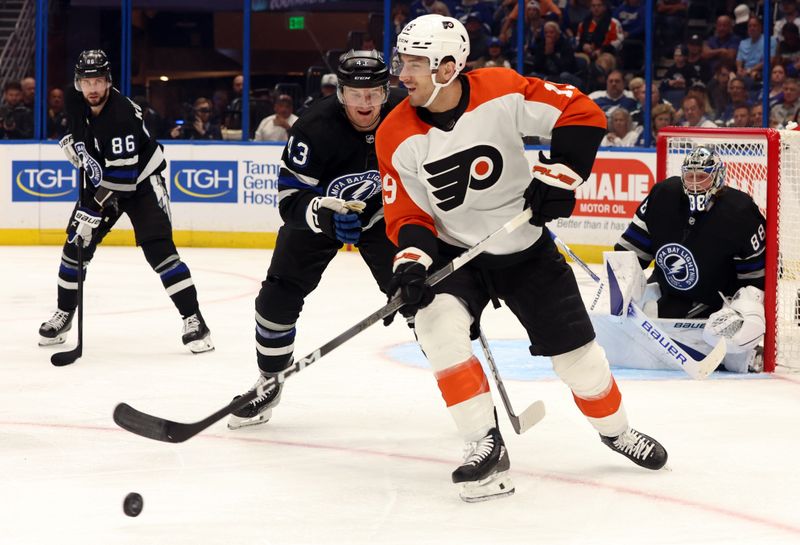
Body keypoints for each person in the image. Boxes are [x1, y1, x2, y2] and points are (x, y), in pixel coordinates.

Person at [377, 14, 667, 503]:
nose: (402, 74)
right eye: (401, 60)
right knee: (437, 330)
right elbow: (407, 214)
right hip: (458, 256)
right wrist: (411, 266)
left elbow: (579, 111)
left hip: (526, 251)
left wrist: (560, 176)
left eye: (414, 63)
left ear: (447, 68)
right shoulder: (394, 133)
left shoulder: (501, 89)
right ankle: (483, 444)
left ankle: (616, 431)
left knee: (580, 363)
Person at [227, 50, 405, 429]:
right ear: (340, 93)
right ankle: (269, 381)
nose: (366, 103)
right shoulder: (313, 127)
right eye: (356, 94)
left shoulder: (407, 113)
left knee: (421, 297)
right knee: (276, 297)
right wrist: (324, 216)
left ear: (386, 91)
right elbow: (289, 200)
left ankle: (464, 393)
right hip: (322, 211)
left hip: (384, 215)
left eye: (374, 93)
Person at [38, 50, 213, 354]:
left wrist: (92, 210)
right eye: (86, 81)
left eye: (98, 81)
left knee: (160, 252)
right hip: (104, 179)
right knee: (74, 247)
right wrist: (75, 143)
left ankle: (194, 320)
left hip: (142, 183)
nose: (92, 88)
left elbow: (123, 177)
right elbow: (83, 133)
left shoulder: (121, 116)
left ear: (108, 81)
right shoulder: (73, 98)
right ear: (78, 83)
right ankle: (64, 314)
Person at [597, 145, 766, 373]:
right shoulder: (662, 196)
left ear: (717, 178)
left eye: (703, 177)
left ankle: (745, 351)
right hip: (671, 294)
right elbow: (631, 252)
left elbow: (754, 282)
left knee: (730, 348)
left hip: (717, 303)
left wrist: (739, 312)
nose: (695, 183)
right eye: (690, 176)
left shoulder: (740, 212)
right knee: (632, 330)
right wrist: (619, 288)